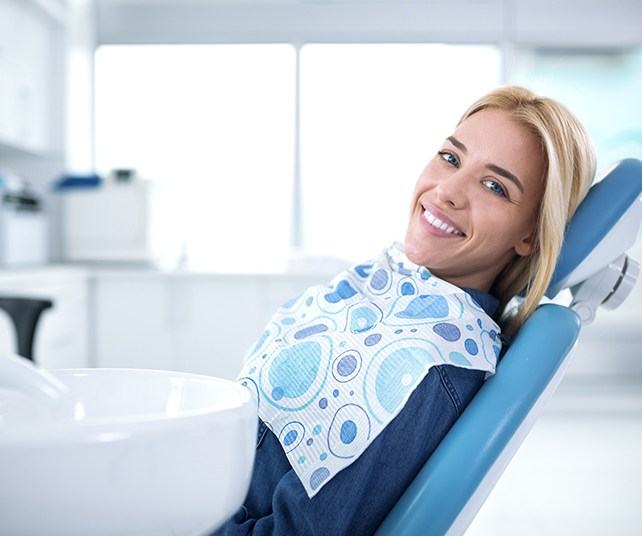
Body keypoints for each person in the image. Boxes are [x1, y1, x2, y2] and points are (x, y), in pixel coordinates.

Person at [213, 85, 596, 535]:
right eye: (451, 158)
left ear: (530, 235)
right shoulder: (383, 285)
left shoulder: (425, 365)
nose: (447, 191)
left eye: (494, 186)